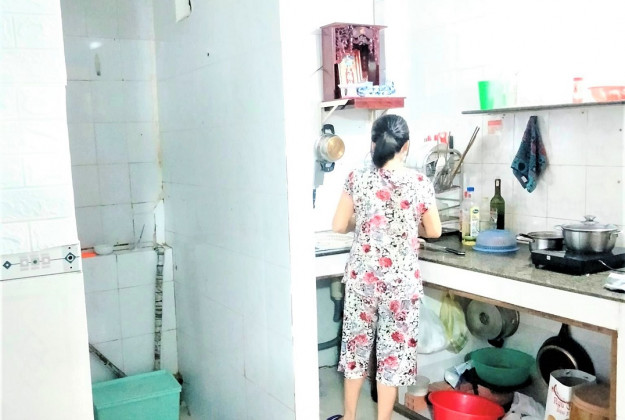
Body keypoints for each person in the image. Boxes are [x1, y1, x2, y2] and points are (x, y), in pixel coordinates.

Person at [332, 114, 442, 420]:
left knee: (355, 350)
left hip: (362, 280)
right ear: (405, 147)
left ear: (373, 143)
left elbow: (339, 224)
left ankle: (349, 417)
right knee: (391, 359)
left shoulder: (356, 178)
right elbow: (434, 230)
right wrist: (406, 225)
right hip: (400, 285)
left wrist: (362, 221)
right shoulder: (419, 183)